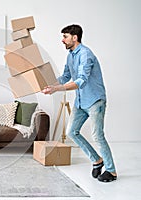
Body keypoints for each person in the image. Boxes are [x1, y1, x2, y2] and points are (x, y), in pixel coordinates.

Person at [42, 24, 117, 182]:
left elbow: (81, 81)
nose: (62, 40)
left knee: (98, 135)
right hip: (81, 101)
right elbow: (65, 76)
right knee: (71, 132)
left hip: (95, 100)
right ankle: (97, 160)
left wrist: (57, 89)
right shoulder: (71, 55)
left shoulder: (85, 54)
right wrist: (49, 83)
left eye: (65, 37)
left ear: (75, 38)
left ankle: (111, 171)